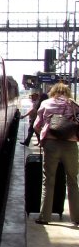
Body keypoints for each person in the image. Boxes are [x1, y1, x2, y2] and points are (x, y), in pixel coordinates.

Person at [33, 82, 79, 226]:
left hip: (51, 144)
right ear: (67, 92)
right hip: (70, 145)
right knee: (72, 180)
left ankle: (44, 216)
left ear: (53, 91)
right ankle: (76, 217)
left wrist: (42, 136)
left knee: (48, 180)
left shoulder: (46, 103)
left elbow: (36, 125)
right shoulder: (73, 104)